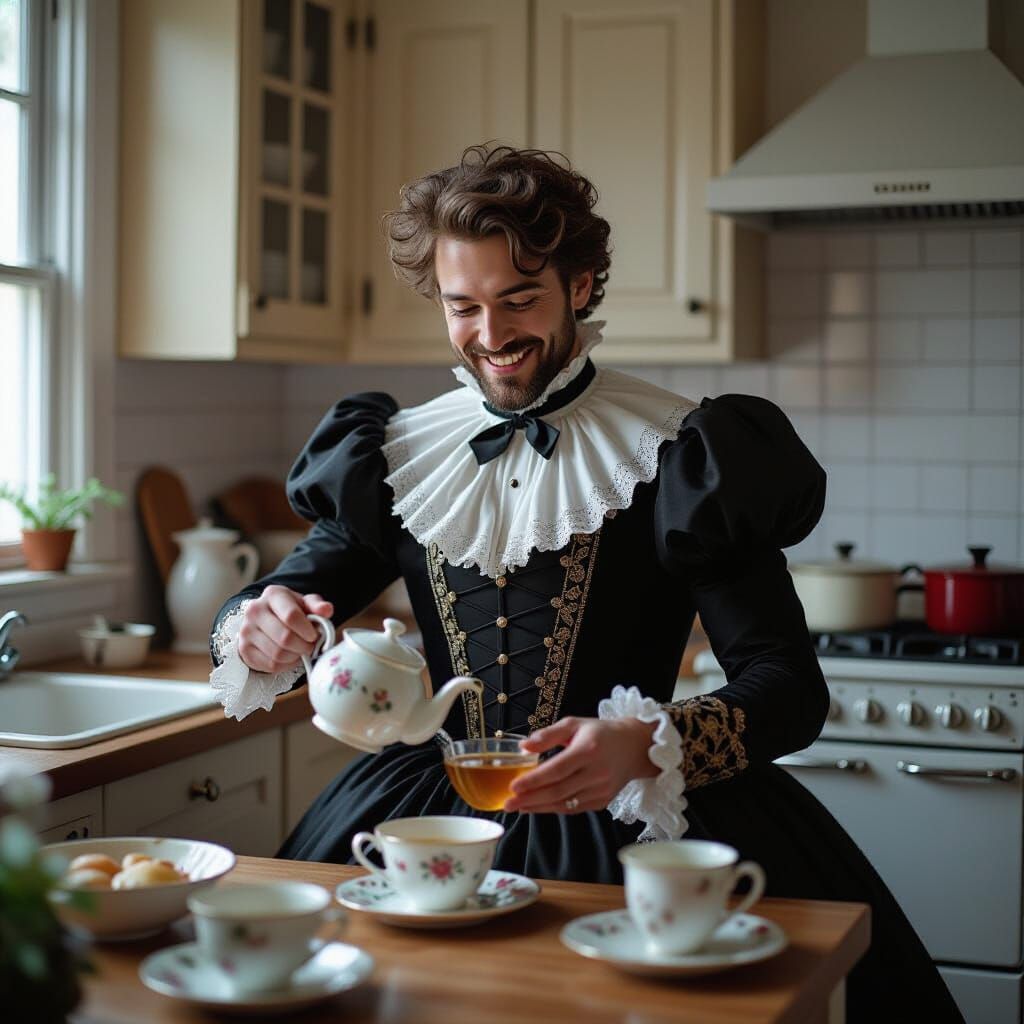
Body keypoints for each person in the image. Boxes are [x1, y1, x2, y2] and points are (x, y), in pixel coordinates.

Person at [209, 145, 963, 1022]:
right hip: (435, 831)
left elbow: (789, 687)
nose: (491, 334)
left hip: (635, 830)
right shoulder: (396, 453)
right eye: (463, 306)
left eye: (519, 298)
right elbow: (287, 592)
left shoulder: (682, 452)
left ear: (582, 283)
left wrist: (648, 744)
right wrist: (257, 622)